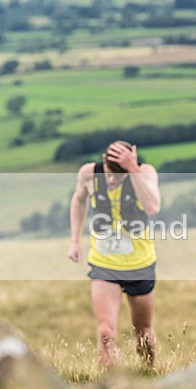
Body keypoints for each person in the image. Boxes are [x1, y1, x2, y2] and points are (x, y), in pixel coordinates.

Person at [67, 140, 161, 368]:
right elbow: (79, 200)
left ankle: (149, 371)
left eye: (117, 176)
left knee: (143, 331)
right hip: (104, 264)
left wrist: (133, 170)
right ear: (103, 160)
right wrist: (75, 241)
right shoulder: (89, 173)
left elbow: (152, 207)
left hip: (139, 264)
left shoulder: (145, 172)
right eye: (109, 172)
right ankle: (110, 387)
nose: (110, 180)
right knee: (106, 333)